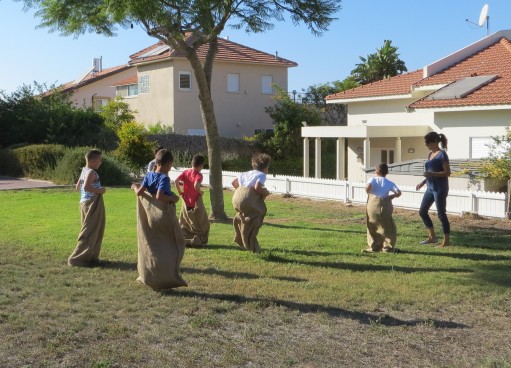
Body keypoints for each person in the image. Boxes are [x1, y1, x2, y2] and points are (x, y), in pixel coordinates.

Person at [131, 149, 187, 290]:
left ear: (156, 162)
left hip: (151, 218)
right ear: (169, 164)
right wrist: (173, 198)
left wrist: (134, 186)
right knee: (175, 244)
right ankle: (168, 275)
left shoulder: (149, 175)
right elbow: (159, 196)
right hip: (163, 216)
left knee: (154, 246)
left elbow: (139, 192)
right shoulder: (164, 178)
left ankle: (151, 275)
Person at [68, 149, 106, 267]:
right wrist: (100, 190)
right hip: (92, 204)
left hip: (84, 203)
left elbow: (77, 187)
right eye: (100, 160)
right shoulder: (91, 173)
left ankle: (91, 257)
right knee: (90, 230)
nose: (101, 162)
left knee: (92, 229)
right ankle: (77, 259)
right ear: (93, 161)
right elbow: (86, 186)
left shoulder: (84, 171)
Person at [416, 132, 451, 248]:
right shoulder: (430, 153)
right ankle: (432, 237)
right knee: (422, 212)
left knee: (441, 214)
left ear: (435, 141)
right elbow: (429, 173)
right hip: (430, 188)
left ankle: (446, 241)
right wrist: (423, 182)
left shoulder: (442, 154)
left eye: (428, 142)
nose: (427, 145)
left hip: (440, 189)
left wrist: (432, 174)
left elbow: (447, 172)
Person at [231, 153, 271, 253]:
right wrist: (265, 193)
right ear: (265, 168)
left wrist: (240, 193)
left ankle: (241, 238)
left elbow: (234, 182)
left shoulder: (245, 173)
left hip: (236, 199)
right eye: (268, 168)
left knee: (243, 218)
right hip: (248, 199)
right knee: (255, 219)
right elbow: (257, 186)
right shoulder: (262, 175)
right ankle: (250, 244)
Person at [363, 163, 402, 253]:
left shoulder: (372, 179)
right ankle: (387, 247)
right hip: (385, 204)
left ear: (376, 171)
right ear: (387, 172)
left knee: (372, 225)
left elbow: (367, 188)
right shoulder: (390, 183)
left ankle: (375, 246)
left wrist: (368, 191)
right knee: (388, 226)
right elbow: (398, 193)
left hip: (372, 204)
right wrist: (392, 196)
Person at [175, 154, 210, 247]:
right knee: (201, 222)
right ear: (201, 166)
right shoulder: (198, 175)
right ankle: (200, 240)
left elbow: (176, 181)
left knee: (186, 222)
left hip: (186, 202)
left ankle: (187, 238)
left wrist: (180, 192)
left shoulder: (186, 172)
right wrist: (200, 192)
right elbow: (196, 185)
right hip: (195, 202)